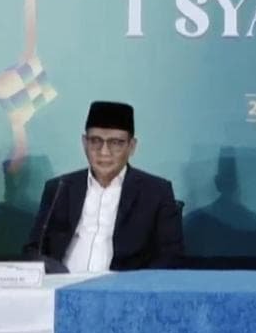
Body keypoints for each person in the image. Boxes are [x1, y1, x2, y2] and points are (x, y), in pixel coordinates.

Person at [24, 101, 183, 271]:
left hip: (123, 285)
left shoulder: (156, 192)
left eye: (115, 143)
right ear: (84, 143)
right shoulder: (59, 188)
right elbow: (34, 249)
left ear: (131, 147)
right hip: (62, 283)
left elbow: (171, 257)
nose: (104, 152)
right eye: (95, 141)